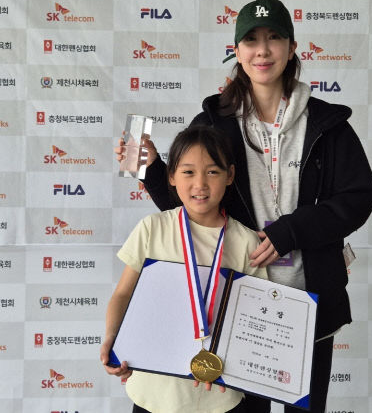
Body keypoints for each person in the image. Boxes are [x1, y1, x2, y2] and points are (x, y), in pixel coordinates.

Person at [132, 0, 372, 413]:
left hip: (309, 300)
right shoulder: (213, 122)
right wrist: (153, 170)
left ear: (292, 47)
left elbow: (358, 197)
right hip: (236, 301)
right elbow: (193, 204)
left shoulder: (328, 124)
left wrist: (291, 231)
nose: (262, 50)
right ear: (237, 50)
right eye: (251, 40)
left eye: (274, 38)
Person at [102, 125, 267, 413]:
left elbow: (255, 318)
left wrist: (239, 365)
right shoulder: (152, 228)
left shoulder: (246, 242)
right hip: (153, 392)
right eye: (188, 172)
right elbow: (123, 294)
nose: (200, 184)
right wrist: (112, 339)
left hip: (218, 395)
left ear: (230, 175)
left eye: (212, 172)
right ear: (171, 176)